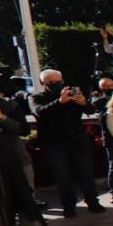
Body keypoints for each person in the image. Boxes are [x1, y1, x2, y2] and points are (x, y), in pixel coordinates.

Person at [28, 69, 106, 217]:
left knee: (86, 173)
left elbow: (90, 109)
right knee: (62, 176)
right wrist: (59, 102)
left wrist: (84, 103)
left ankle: (93, 202)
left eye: (59, 81)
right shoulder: (36, 97)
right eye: (53, 82)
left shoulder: (73, 92)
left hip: (76, 139)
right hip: (55, 143)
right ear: (44, 83)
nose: (58, 84)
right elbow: (39, 112)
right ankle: (69, 206)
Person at [0, 79, 44, 226]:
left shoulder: (10, 105)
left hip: (19, 162)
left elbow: (23, 130)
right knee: (3, 212)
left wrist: (2, 119)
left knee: (27, 205)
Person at [93, 77, 113, 203]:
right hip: (112, 139)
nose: (108, 90)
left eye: (110, 87)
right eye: (105, 88)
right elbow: (102, 118)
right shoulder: (100, 102)